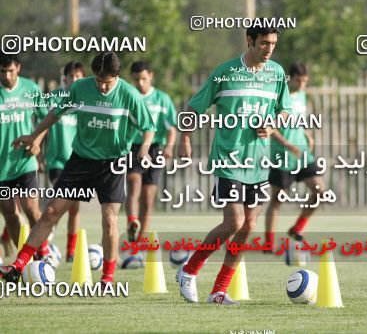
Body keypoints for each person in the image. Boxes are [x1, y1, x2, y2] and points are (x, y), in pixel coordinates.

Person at [0, 52, 155, 285]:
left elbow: (148, 127)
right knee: (51, 211)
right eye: (98, 81)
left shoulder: (130, 95)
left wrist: (143, 150)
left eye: (108, 82)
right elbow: (55, 114)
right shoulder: (81, 88)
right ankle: (18, 265)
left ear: (117, 76)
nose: (102, 86)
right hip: (80, 160)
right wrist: (35, 135)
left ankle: (107, 279)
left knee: (109, 219)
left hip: (112, 164)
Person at [176, 27, 293, 305]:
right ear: (249, 41)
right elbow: (194, 109)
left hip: (259, 162)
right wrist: (185, 139)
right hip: (228, 159)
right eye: (264, 43)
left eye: (273, 43)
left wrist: (273, 123)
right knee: (235, 221)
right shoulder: (225, 73)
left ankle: (219, 291)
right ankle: (189, 270)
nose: (269, 49)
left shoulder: (276, 73)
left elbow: (285, 110)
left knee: (249, 226)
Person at [264, 62, 325, 251]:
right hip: (282, 156)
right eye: (299, 80)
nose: (302, 85)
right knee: (277, 199)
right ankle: (268, 243)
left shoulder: (302, 95)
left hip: (303, 154)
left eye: (305, 81)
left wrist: (307, 134)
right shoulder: (276, 98)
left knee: (320, 191)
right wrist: (288, 144)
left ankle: (297, 228)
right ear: (290, 79)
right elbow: (269, 128)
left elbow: (299, 119)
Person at [0, 52, 50, 261]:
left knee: (32, 210)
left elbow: (46, 119)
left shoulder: (31, 89)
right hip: (2, 169)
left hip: (24, 163)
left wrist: (37, 142)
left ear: (18, 68)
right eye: (2, 72)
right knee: (10, 215)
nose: (7, 76)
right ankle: (24, 259)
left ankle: (44, 254)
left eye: (10, 71)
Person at [126, 61, 177, 242]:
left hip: (155, 150)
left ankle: (139, 241)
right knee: (133, 184)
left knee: (148, 199)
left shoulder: (162, 99)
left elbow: (171, 128)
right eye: (136, 79)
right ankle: (132, 221)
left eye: (143, 79)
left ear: (151, 76)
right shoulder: (129, 98)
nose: (140, 83)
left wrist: (169, 147)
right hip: (134, 147)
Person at [45, 61, 85, 262]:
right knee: (60, 202)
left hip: (78, 162)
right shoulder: (54, 98)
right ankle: (47, 234)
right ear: (65, 79)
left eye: (79, 76)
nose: (75, 80)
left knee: (74, 207)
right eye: (72, 76)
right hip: (57, 162)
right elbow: (43, 125)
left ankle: (70, 251)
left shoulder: (85, 101)